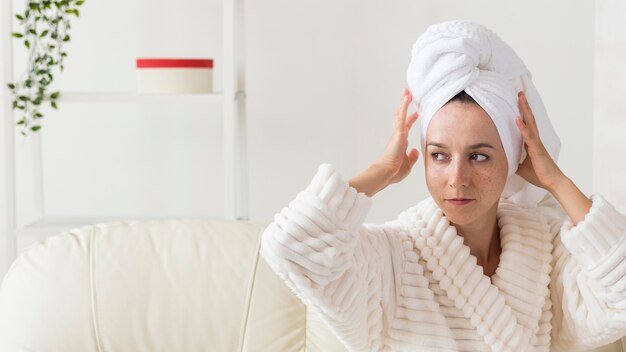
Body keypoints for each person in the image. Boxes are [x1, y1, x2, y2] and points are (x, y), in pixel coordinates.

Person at [260, 20, 626, 352]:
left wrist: (556, 181)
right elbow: (289, 247)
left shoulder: (544, 249)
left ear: (513, 158)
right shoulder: (394, 256)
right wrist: (381, 170)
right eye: (439, 156)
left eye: (479, 156)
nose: (457, 178)